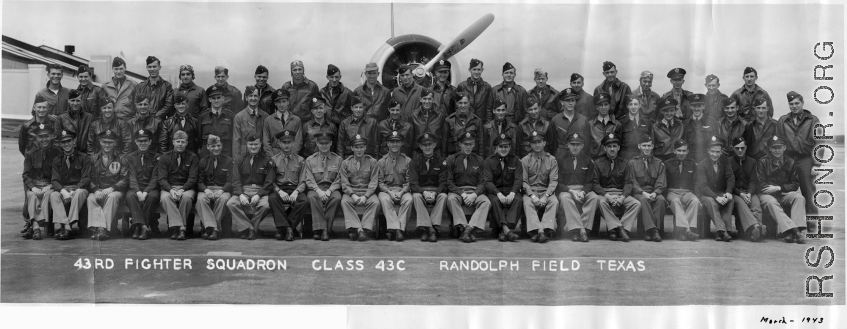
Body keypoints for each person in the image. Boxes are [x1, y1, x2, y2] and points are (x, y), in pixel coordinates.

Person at [754, 136, 807, 244]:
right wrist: (774, 190)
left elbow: (795, 184)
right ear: (769, 148)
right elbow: (761, 184)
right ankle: (795, 231)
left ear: (784, 147)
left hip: (782, 193)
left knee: (799, 197)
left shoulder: (790, 162)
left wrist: (779, 188)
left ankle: (794, 232)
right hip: (765, 195)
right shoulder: (763, 162)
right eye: (774, 148)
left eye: (779, 147)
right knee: (771, 202)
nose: (777, 150)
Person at [777, 91, 820, 214]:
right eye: (791, 104)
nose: (794, 106)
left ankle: (812, 227)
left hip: (805, 159)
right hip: (788, 160)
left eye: (797, 103)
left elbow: (820, 144)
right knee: (786, 193)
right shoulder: (783, 120)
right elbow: (779, 142)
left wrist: (816, 165)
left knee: (809, 192)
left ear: (802, 103)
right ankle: (790, 228)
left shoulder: (812, 120)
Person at [445, 132, 490, 243]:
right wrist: (463, 194)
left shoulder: (479, 160)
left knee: (486, 202)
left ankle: (468, 230)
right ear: (460, 144)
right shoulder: (451, 159)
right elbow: (449, 183)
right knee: (451, 199)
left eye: (471, 144)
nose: (468, 147)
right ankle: (466, 229)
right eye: (465, 144)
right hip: (458, 192)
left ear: (474, 144)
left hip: (474, 191)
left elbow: (482, 182)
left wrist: (474, 195)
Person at [226, 133, 273, 240]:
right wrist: (240, 195)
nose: (253, 147)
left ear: (260, 144)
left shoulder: (267, 160)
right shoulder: (239, 159)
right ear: (246, 144)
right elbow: (236, 180)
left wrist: (259, 195)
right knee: (231, 203)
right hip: (244, 190)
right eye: (251, 144)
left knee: (265, 206)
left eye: (256, 144)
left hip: (260, 190)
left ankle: (247, 229)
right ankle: (251, 228)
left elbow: (269, 182)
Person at [592, 133, 638, 242]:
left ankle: (621, 228)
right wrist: (607, 196)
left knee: (636, 203)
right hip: (605, 194)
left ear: (618, 147)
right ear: (604, 148)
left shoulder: (625, 164)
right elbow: (595, 183)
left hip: (620, 193)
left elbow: (628, 183)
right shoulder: (598, 163)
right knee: (601, 202)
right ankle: (620, 229)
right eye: (609, 146)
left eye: (614, 146)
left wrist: (622, 197)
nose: (612, 149)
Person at [556, 133, 601, 242]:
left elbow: (590, 182)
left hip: (583, 190)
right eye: (572, 144)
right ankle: (580, 230)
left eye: (578, 144)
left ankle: (579, 229)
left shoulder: (588, 161)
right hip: (567, 190)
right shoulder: (561, 160)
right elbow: (558, 183)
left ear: (582, 146)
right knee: (565, 198)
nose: (575, 147)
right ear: (568, 145)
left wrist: (583, 192)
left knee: (594, 197)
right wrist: (571, 191)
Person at [86, 129, 128, 241]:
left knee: (112, 197)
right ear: (100, 142)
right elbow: (88, 178)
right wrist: (95, 190)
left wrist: (112, 188)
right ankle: (99, 229)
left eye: (110, 142)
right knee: (91, 198)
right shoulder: (93, 158)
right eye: (104, 142)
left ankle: (102, 229)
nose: (107, 145)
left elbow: (125, 178)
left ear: (115, 143)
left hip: (115, 190)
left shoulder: (122, 158)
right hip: (98, 189)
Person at [48, 130, 91, 240]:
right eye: (63, 142)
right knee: (53, 195)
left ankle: (68, 226)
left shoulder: (84, 157)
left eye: (69, 141)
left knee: (79, 193)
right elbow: (55, 180)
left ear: (74, 142)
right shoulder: (57, 160)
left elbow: (86, 178)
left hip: (80, 189)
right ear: (60, 145)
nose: (66, 144)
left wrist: (74, 190)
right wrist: (63, 191)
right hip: (64, 190)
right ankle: (67, 226)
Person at [157, 130, 199, 241]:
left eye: (183, 142)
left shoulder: (193, 157)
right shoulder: (165, 158)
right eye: (178, 141)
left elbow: (193, 179)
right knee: (165, 198)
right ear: (173, 142)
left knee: (186, 198)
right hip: (169, 187)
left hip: (186, 188)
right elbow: (162, 179)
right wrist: (171, 190)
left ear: (187, 143)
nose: (180, 144)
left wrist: (182, 190)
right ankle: (181, 228)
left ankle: (176, 228)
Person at [22, 124, 62, 240]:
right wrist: (32, 187)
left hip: (50, 185)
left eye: (46, 136)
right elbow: (26, 174)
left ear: (51, 137)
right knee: (31, 196)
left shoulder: (57, 153)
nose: (44, 139)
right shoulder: (30, 154)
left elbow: (59, 174)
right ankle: (36, 228)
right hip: (35, 185)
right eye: (41, 137)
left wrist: (50, 186)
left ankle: (35, 226)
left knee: (48, 195)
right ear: (37, 138)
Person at [268, 130, 309, 241]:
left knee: (304, 201)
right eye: (284, 142)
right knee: (272, 198)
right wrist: (279, 191)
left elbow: (303, 181)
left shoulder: (300, 160)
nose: (287, 145)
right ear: (279, 144)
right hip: (280, 189)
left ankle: (284, 228)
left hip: (295, 189)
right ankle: (289, 229)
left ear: (293, 143)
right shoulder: (273, 160)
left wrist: (296, 192)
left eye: (289, 142)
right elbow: (270, 181)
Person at [483, 133, 524, 242]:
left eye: (506, 146)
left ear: (510, 147)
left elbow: (518, 180)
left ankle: (504, 230)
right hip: (495, 192)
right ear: (495, 148)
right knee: (495, 201)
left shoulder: (516, 161)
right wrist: (498, 193)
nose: (503, 149)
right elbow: (487, 181)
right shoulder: (489, 161)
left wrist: (513, 192)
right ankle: (507, 231)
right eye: (500, 147)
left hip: (510, 191)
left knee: (519, 200)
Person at [195, 135, 237, 241]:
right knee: (200, 199)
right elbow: (199, 181)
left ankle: (210, 229)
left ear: (222, 146)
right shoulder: (203, 161)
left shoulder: (229, 161)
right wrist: (206, 190)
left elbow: (230, 181)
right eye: (213, 146)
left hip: (223, 189)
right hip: (207, 189)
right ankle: (214, 229)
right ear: (208, 147)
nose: (216, 148)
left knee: (224, 199)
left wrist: (221, 191)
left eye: (218, 145)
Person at [338, 135, 380, 241]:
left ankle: (363, 228)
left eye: (361, 147)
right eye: (356, 147)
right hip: (352, 192)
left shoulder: (372, 162)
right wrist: (353, 195)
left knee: (375, 202)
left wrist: (366, 196)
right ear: (352, 148)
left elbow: (374, 182)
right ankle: (360, 230)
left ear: (365, 147)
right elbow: (345, 183)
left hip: (367, 192)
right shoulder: (346, 163)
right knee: (344, 202)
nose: (359, 150)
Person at [303, 132, 343, 241]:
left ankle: (321, 230)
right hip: (315, 189)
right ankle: (323, 230)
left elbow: (340, 178)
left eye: (326, 143)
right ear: (317, 143)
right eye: (321, 143)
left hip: (332, 188)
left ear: (331, 143)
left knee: (337, 197)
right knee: (312, 197)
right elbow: (309, 179)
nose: (324, 145)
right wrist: (318, 191)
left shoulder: (338, 159)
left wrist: (330, 190)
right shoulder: (310, 160)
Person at [627, 134, 667, 242]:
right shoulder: (632, 163)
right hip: (639, 192)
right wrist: (643, 192)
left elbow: (661, 181)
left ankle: (652, 231)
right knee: (643, 200)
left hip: (654, 192)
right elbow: (632, 182)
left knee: (661, 200)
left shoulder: (659, 163)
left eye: (649, 146)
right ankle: (653, 231)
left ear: (653, 146)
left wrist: (655, 192)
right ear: (639, 146)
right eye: (644, 145)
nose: (647, 148)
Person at [521, 132, 559, 243]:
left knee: (554, 202)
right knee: (527, 203)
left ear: (544, 143)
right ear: (530, 145)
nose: (537, 145)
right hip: (530, 192)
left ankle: (540, 231)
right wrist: (532, 196)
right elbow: (524, 181)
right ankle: (541, 231)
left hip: (546, 191)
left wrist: (546, 196)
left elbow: (553, 181)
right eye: (534, 143)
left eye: (539, 142)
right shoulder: (525, 160)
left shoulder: (552, 160)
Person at [409, 133, 448, 242]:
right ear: (420, 147)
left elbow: (443, 182)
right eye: (424, 145)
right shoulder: (414, 162)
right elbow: (413, 183)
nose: (427, 147)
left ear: (434, 145)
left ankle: (427, 228)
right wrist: (423, 192)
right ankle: (431, 229)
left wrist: (436, 192)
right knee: (416, 197)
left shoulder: (441, 161)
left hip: (436, 191)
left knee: (444, 196)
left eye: (429, 144)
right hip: (421, 191)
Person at [696, 136, 736, 242]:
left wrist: (728, 193)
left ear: (721, 151)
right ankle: (723, 231)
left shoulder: (725, 161)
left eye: (718, 152)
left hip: (720, 192)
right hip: (707, 195)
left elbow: (730, 177)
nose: (715, 154)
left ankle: (725, 230)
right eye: (712, 151)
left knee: (730, 200)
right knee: (711, 202)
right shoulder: (702, 165)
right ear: (708, 151)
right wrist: (716, 197)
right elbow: (703, 186)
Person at [123, 129, 161, 240]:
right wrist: (138, 191)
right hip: (136, 188)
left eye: (145, 141)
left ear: (150, 142)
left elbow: (155, 178)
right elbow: (132, 177)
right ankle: (143, 227)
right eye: (140, 141)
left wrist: (145, 192)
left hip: (150, 188)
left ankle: (136, 227)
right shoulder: (130, 157)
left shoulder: (156, 157)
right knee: (130, 196)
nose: (142, 143)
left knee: (153, 197)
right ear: (135, 142)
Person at [377, 131, 414, 241]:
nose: (395, 144)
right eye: (392, 142)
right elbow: (380, 183)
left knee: (409, 199)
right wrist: (390, 192)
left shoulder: (408, 161)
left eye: (397, 141)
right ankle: (398, 230)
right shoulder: (382, 162)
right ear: (388, 144)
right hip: (387, 191)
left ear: (401, 143)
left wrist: (402, 192)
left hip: (403, 191)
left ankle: (397, 230)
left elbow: (409, 181)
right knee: (384, 200)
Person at [728, 137, 766, 242]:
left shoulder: (752, 162)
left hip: (748, 191)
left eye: (742, 148)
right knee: (741, 203)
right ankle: (755, 227)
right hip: (735, 193)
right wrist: (741, 194)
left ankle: (756, 232)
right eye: (737, 148)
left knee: (756, 204)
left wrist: (749, 193)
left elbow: (753, 180)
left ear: (746, 148)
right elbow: (729, 182)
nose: (740, 150)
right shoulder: (728, 162)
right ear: (733, 149)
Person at [663, 140, 702, 241]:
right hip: (672, 192)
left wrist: (698, 196)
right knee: (675, 201)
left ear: (688, 151)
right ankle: (688, 231)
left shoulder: (692, 164)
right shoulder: (667, 164)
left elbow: (696, 183)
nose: (681, 153)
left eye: (684, 151)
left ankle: (682, 231)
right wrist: (665, 197)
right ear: (674, 151)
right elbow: (664, 183)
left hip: (687, 192)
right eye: (679, 150)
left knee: (695, 201)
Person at [262, 89, 303, 157]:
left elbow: (298, 142)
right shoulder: (268, 120)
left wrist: (292, 157)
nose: (281, 105)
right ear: (275, 103)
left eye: (284, 101)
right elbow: (266, 142)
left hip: (291, 156)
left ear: (288, 102)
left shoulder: (296, 120)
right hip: (274, 155)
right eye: (279, 102)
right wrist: (273, 158)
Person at [550, 88, 590, 159]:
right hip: (561, 157)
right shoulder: (555, 120)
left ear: (575, 102)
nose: (570, 103)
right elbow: (552, 144)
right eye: (567, 100)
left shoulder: (583, 120)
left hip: (579, 156)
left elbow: (587, 143)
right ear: (562, 102)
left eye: (573, 100)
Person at [197, 86, 236, 158]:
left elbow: (233, 138)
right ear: (209, 99)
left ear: (223, 98)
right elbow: (199, 138)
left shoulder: (231, 116)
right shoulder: (202, 116)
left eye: (218, 98)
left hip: (225, 154)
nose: (216, 100)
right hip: (207, 155)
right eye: (213, 98)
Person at [233, 86, 269, 161]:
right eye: (250, 96)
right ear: (246, 98)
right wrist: (237, 161)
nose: (253, 98)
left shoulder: (265, 116)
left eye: (255, 96)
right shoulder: (239, 117)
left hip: (261, 156)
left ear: (259, 98)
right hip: (244, 156)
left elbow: (267, 140)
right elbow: (236, 141)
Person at [409, 88, 447, 157]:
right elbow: (410, 139)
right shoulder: (413, 116)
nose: (427, 101)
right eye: (424, 99)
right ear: (420, 99)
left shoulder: (440, 115)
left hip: (436, 153)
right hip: (418, 153)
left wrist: (444, 156)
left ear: (433, 100)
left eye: (429, 99)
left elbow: (444, 138)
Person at [682, 93, 719, 163]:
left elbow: (715, 143)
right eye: (694, 106)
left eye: (699, 106)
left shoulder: (711, 122)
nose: (696, 109)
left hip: (707, 159)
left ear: (703, 106)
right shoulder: (685, 123)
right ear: (690, 106)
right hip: (690, 159)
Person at [137, 56, 174, 120]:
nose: (152, 69)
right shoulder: (140, 86)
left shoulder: (167, 86)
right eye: (150, 67)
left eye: (154, 66)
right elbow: (137, 104)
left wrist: (155, 118)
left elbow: (168, 105)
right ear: (147, 68)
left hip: (160, 122)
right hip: (144, 121)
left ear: (159, 67)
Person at [587, 92, 622, 159]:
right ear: (597, 107)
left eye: (606, 104)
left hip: (611, 159)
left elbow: (619, 145)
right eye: (600, 105)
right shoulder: (590, 124)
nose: (603, 107)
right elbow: (586, 144)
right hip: (594, 160)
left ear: (609, 106)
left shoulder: (617, 124)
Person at [618, 95, 652, 160]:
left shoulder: (646, 121)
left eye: (636, 104)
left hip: (642, 156)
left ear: (640, 105)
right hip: (626, 157)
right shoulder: (621, 122)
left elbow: (651, 141)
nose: (633, 107)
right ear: (627, 106)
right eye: (631, 104)